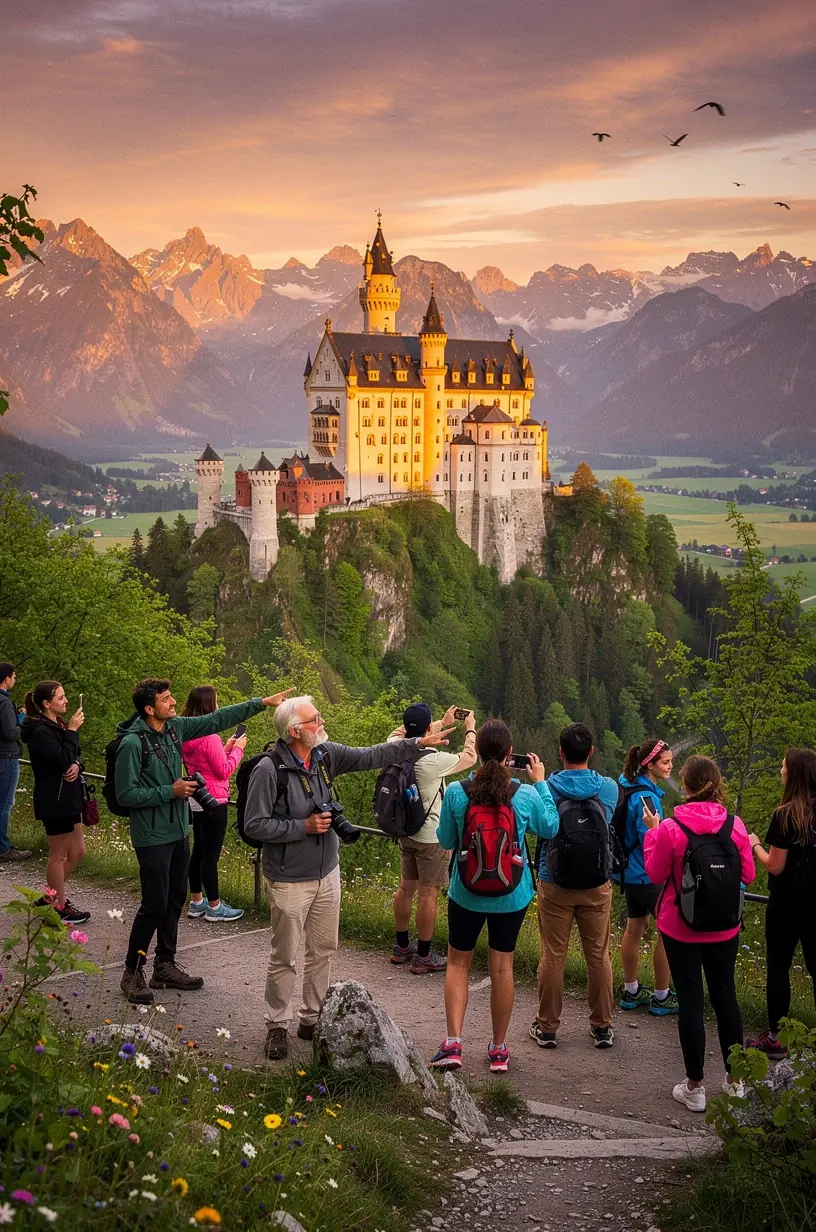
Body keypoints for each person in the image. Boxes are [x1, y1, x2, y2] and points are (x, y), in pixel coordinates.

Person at [243, 695, 454, 1060]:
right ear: (295, 731)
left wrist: (418, 742)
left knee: (323, 950)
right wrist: (302, 826)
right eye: (314, 720)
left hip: (327, 872)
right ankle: (277, 1024)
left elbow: (371, 755)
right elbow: (254, 824)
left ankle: (312, 1018)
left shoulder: (324, 754)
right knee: (286, 955)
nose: (321, 723)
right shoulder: (268, 770)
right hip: (289, 878)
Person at [116, 678, 291, 1005]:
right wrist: (171, 791)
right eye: (166, 699)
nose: (173, 702)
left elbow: (215, 719)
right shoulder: (132, 744)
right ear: (149, 708)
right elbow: (126, 794)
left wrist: (261, 703)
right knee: (154, 903)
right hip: (152, 836)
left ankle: (164, 965)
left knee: (174, 900)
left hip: (178, 829)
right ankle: (132, 970)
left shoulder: (174, 729)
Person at [431, 720, 559, 1073]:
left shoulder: (459, 792)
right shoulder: (525, 794)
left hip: (466, 893)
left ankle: (454, 1044)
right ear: (508, 755)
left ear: (480, 752)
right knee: (502, 968)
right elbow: (550, 826)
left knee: (458, 963)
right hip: (512, 894)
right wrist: (542, 783)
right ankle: (499, 1050)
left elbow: (444, 840)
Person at [643, 754, 755, 1111]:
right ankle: (735, 1081)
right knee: (726, 999)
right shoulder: (734, 827)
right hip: (725, 928)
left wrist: (651, 833)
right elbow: (748, 876)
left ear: (686, 787)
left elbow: (656, 874)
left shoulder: (672, 828)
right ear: (716, 784)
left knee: (691, 1002)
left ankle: (695, 1087)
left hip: (681, 928)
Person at [531, 722, 619, 1050]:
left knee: (553, 954)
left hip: (555, 881)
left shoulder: (548, 789)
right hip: (597, 882)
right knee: (598, 955)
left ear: (560, 752)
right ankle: (602, 1027)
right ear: (592, 752)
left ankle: (548, 1028)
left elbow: (539, 827)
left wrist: (538, 783)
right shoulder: (608, 789)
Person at [390, 703, 477, 974]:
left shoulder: (393, 748)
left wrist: (438, 723)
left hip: (405, 830)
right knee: (429, 894)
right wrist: (470, 728)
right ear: (427, 730)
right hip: (430, 835)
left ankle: (402, 946)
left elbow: (398, 732)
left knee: (406, 888)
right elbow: (469, 758)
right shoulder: (433, 761)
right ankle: (424, 955)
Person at [747, 748, 816, 1060]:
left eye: (783, 765)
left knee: (779, 966)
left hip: (787, 901)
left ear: (793, 773)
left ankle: (776, 1038)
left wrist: (754, 844)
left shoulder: (786, 815)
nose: (780, 768)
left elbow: (775, 865)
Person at [19, 681, 90, 924]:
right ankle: (57, 907)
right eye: (61, 697)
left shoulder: (56, 725)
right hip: (55, 799)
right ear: (47, 704)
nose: (66, 701)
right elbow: (60, 760)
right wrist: (72, 731)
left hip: (70, 797)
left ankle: (49, 898)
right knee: (57, 856)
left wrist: (78, 765)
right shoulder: (40, 732)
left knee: (78, 852)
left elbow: (75, 755)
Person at [616, 738, 678, 1016]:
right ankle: (662, 997)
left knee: (634, 927)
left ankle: (631, 991)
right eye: (665, 762)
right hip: (647, 874)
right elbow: (653, 839)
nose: (670, 766)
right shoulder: (648, 798)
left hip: (629, 872)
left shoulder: (626, 785)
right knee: (668, 934)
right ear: (649, 765)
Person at [182, 685, 247, 922]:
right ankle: (215, 906)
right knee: (211, 854)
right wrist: (237, 751)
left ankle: (197, 901)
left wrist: (226, 747)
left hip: (196, 796)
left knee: (198, 849)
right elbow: (223, 770)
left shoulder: (188, 732)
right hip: (215, 799)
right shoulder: (209, 736)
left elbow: (204, 761)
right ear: (210, 705)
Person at [0, 662, 31, 863]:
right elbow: (10, 733)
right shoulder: (4, 703)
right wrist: (25, 724)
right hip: (7, 758)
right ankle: (3, 847)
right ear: (7, 678)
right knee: (5, 804)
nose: (15, 679)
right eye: (14, 676)